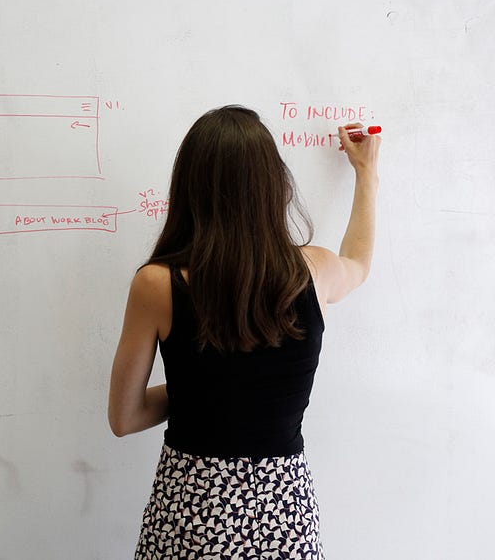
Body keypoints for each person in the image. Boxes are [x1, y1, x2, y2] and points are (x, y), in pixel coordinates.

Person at [107, 105, 380, 559]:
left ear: (189, 188)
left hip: (189, 519)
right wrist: (366, 172)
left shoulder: (158, 283)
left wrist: (208, 390)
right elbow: (359, 262)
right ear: (274, 186)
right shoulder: (316, 271)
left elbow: (125, 417)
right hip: (285, 518)